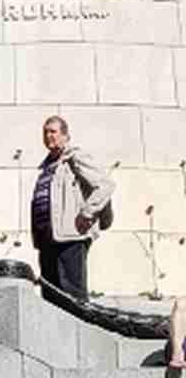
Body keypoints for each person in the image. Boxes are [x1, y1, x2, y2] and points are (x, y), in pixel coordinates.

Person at [30, 115, 116, 304]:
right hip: (47, 239)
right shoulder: (47, 166)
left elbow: (105, 185)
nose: (48, 135)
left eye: (53, 131)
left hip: (70, 236)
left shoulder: (75, 157)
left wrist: (87, 212)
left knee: (72, 296)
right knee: (51, 296)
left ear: (65, 135)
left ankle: (78, 331)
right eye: (45, 132)